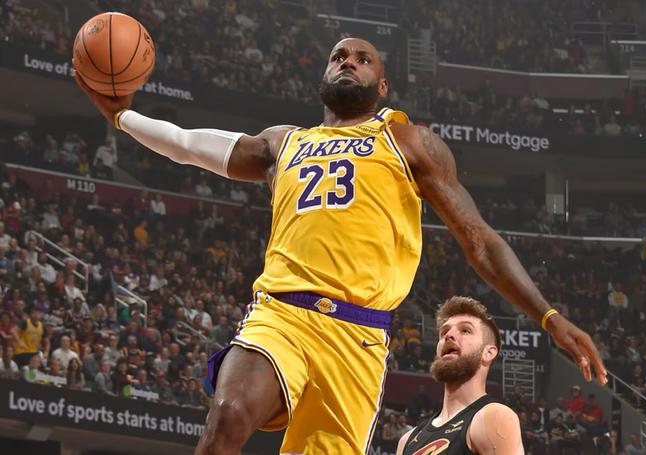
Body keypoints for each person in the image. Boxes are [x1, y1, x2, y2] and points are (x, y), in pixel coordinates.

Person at [74, 37, 606, 455]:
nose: (348, 61)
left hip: (358, 339)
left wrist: (548, 315)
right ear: (324, 76)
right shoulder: (284, 142)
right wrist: (122, 117)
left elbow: (479, 239)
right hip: (282, 314)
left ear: (381, 85)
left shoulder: (408, 142)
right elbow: (190, 145)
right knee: (230, 414)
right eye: (338, 57)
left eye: (362, 59)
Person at [397, 297, 524, 454]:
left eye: (465, 330)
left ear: (488, 353)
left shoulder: (494, 417)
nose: (448, 335)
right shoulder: (407, 440)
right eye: (444, 332)